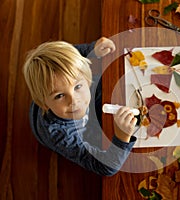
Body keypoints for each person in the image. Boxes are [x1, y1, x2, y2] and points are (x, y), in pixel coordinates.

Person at [23, 37, 137, 176]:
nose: (74, 100)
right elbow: (106, 168)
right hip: (71, 129)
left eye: (77, 86)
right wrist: (122, 137)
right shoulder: (60, 135)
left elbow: (73, 53)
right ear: (44, 104)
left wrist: (92, 49)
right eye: (59, 96)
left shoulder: (80, 83)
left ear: (87, 79)